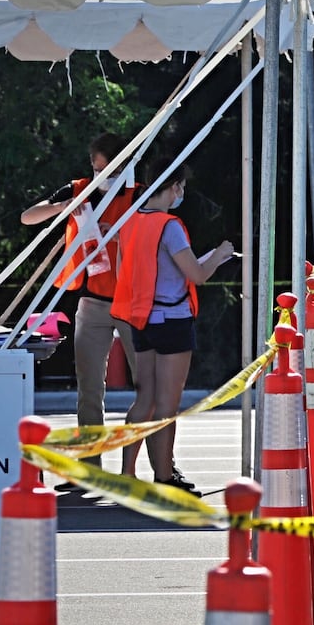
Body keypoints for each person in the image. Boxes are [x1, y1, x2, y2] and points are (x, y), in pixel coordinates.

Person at [110, 158, 233, 491]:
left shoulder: (130, 223)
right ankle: (164, 476)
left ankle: (127, 473)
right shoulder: (170, 226)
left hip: (142, 319)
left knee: (144, 399)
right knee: (166, 404)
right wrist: (220, 254)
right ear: (175, 186)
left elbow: (125, 273)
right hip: (173, 321)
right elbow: (196, 275)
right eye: (182, 187)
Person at [20, 132, 141, 470]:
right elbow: (28, 217)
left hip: (133, 304)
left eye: (111, 170)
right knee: (89, 390)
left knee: (147, 388)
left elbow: (167, 221)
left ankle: (145, 467)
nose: (104, 177)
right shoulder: (79, 190)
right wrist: (64, 207)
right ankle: (90, 465)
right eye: (98, 169)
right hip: (93, 303)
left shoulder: (140, 194)